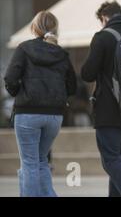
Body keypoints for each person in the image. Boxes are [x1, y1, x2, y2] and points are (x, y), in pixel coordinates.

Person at [4, 11, 77, 197]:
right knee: (41, 161)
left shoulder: (24, 48)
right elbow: (73, 86)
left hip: (27, 112)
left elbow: (10, 78)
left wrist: (18, 93)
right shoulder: (62, 54)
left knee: (29, 163)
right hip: (54, 115)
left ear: (34, 28)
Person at [81, 1, 121, 197]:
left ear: (104, 18)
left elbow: (87, 73)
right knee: (120, 161)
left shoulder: (102, 37)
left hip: (108, 108)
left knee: (111, 160)